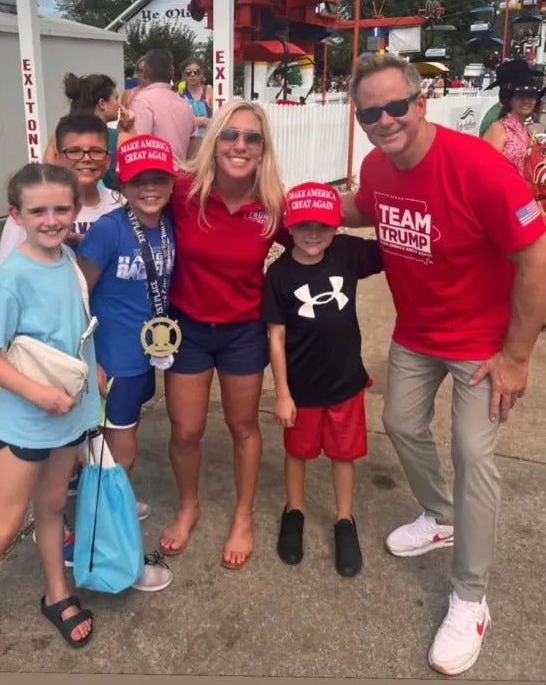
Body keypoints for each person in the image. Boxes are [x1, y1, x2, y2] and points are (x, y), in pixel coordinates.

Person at [341, 53, 546, 676]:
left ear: (420, 102)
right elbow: (361, 207)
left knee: (473, 454)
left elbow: (536, 256)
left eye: (395, 106)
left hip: (482, 344)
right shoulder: (377, 165)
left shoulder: (479, 167)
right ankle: (441, 515)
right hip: (417, 333)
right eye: (370, 111)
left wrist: (516, 356)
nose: (384, 120)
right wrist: (287, 209)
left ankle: (470, 599)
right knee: (401, 425)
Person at [160, 100, 286, 569]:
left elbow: (317, 239)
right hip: (186, 327)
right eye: (230, 135)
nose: (240, 145)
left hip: (243, 333)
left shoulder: (273, 203)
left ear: (263, 148)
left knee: (242, 426)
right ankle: (188, 505)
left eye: (252, 138)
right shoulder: (182, 190)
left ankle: (243, 514)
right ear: (214, 142)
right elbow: (124, 188)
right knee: (186, 429)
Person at [0, 163, 100, 648]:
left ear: (76, 210)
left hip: (68, 414)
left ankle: (57, 592)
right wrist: (38, 394)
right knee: (5, 520)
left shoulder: (68, 261)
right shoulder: (11, 277)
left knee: (54, 505)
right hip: (24, 424)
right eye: (38, 211)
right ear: (16, 216)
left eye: (61, 208)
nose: (51, 219)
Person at [262, 182, 382, 577]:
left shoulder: (347, 253)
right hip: (302, 387)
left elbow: (395, 245)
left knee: (343, 455)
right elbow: (275, 336)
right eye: (304, 225)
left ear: (338, 226)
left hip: (346, 382)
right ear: (289, 228)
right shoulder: (279, 274)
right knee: (297, 453)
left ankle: (344, 520)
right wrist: (282, 393)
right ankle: (293, 511)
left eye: (324, 226)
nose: (314, 234)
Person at [77, 136, 177, 594]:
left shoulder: (168, 226)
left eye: (158, 178)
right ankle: (117, 555)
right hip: (112, 360)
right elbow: (77, 295)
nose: (150, 188)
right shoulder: (108, 230)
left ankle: (106, 513)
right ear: (123, 183)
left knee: (118, 450)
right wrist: (85, 358)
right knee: (118, 456)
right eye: (139, 180)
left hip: (143, 358)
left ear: (171, 183)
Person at [0, 113, 121, 271]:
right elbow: (3, 269)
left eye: (96, 151)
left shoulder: (120, 203)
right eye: (74, 151)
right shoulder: (33, 208)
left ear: (108, 160)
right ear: (58, 158)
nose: (86, 158)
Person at [42, 73, 136, 188]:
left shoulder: (58, 137)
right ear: (102, 103)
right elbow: (137, 175)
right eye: (116, 98)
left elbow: (48, 177)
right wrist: (130, 128)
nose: (119, 104)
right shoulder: (120, 138)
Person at [131, 49, 197, 162]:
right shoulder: (185, 105)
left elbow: (138, 149)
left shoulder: (142, 101)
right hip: (182, 174)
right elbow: (193, 147)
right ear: (172, 72)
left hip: (155, 176)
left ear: (145, 72)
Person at [482, 63, 543, 173]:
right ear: (509, 98)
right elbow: (485, 169)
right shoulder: (499, 128)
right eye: (521, 96)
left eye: (531, 95)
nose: (527, 101)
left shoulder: (525, 131)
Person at [179, 58, 213, 136]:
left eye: (196, 72)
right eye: (188, 72)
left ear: (202, 73)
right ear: (184, 75)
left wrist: (204, 121)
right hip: (187, 141)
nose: (192, 75)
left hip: (207, 140)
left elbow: (218, 118)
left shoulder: (209, 90)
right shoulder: (180, 96)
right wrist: (200, 121)